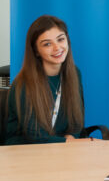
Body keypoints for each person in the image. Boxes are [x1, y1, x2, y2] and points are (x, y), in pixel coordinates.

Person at [6, 15, 93, 144]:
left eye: (60, 39)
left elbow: (77, 121)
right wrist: (68, 143)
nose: (57, 48)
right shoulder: (23, 83)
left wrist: (71, 137)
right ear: (36, 51)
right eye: (47, 44)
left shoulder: (74, 73)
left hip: (61, 148)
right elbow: (35, 136)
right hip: (25, 151)